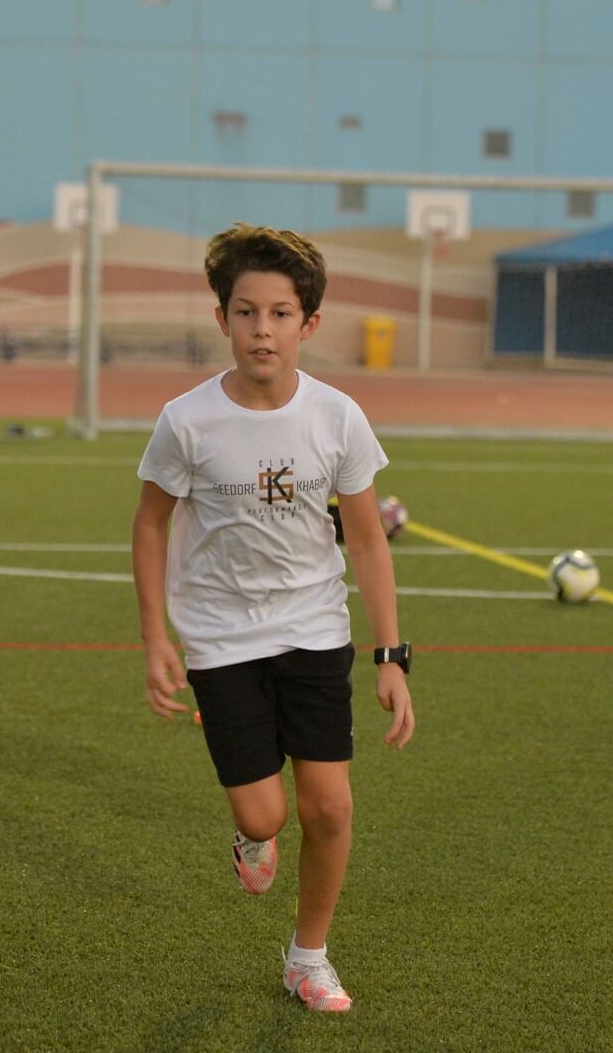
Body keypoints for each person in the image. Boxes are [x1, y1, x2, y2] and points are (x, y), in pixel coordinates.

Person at [131, 223, 415, 1013]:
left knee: (331, 807)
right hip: (220, 636)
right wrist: (155, 636)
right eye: (247, 312)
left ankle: (308, 958)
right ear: (221, 318)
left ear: (308, 324)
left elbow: (367, 539)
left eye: (281, 314)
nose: (263, 330)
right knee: (267, 813)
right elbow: (150, 524)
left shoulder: (338, 417)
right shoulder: (186, 420)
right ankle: (252, 833)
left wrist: (392, 656)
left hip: (315, 627)